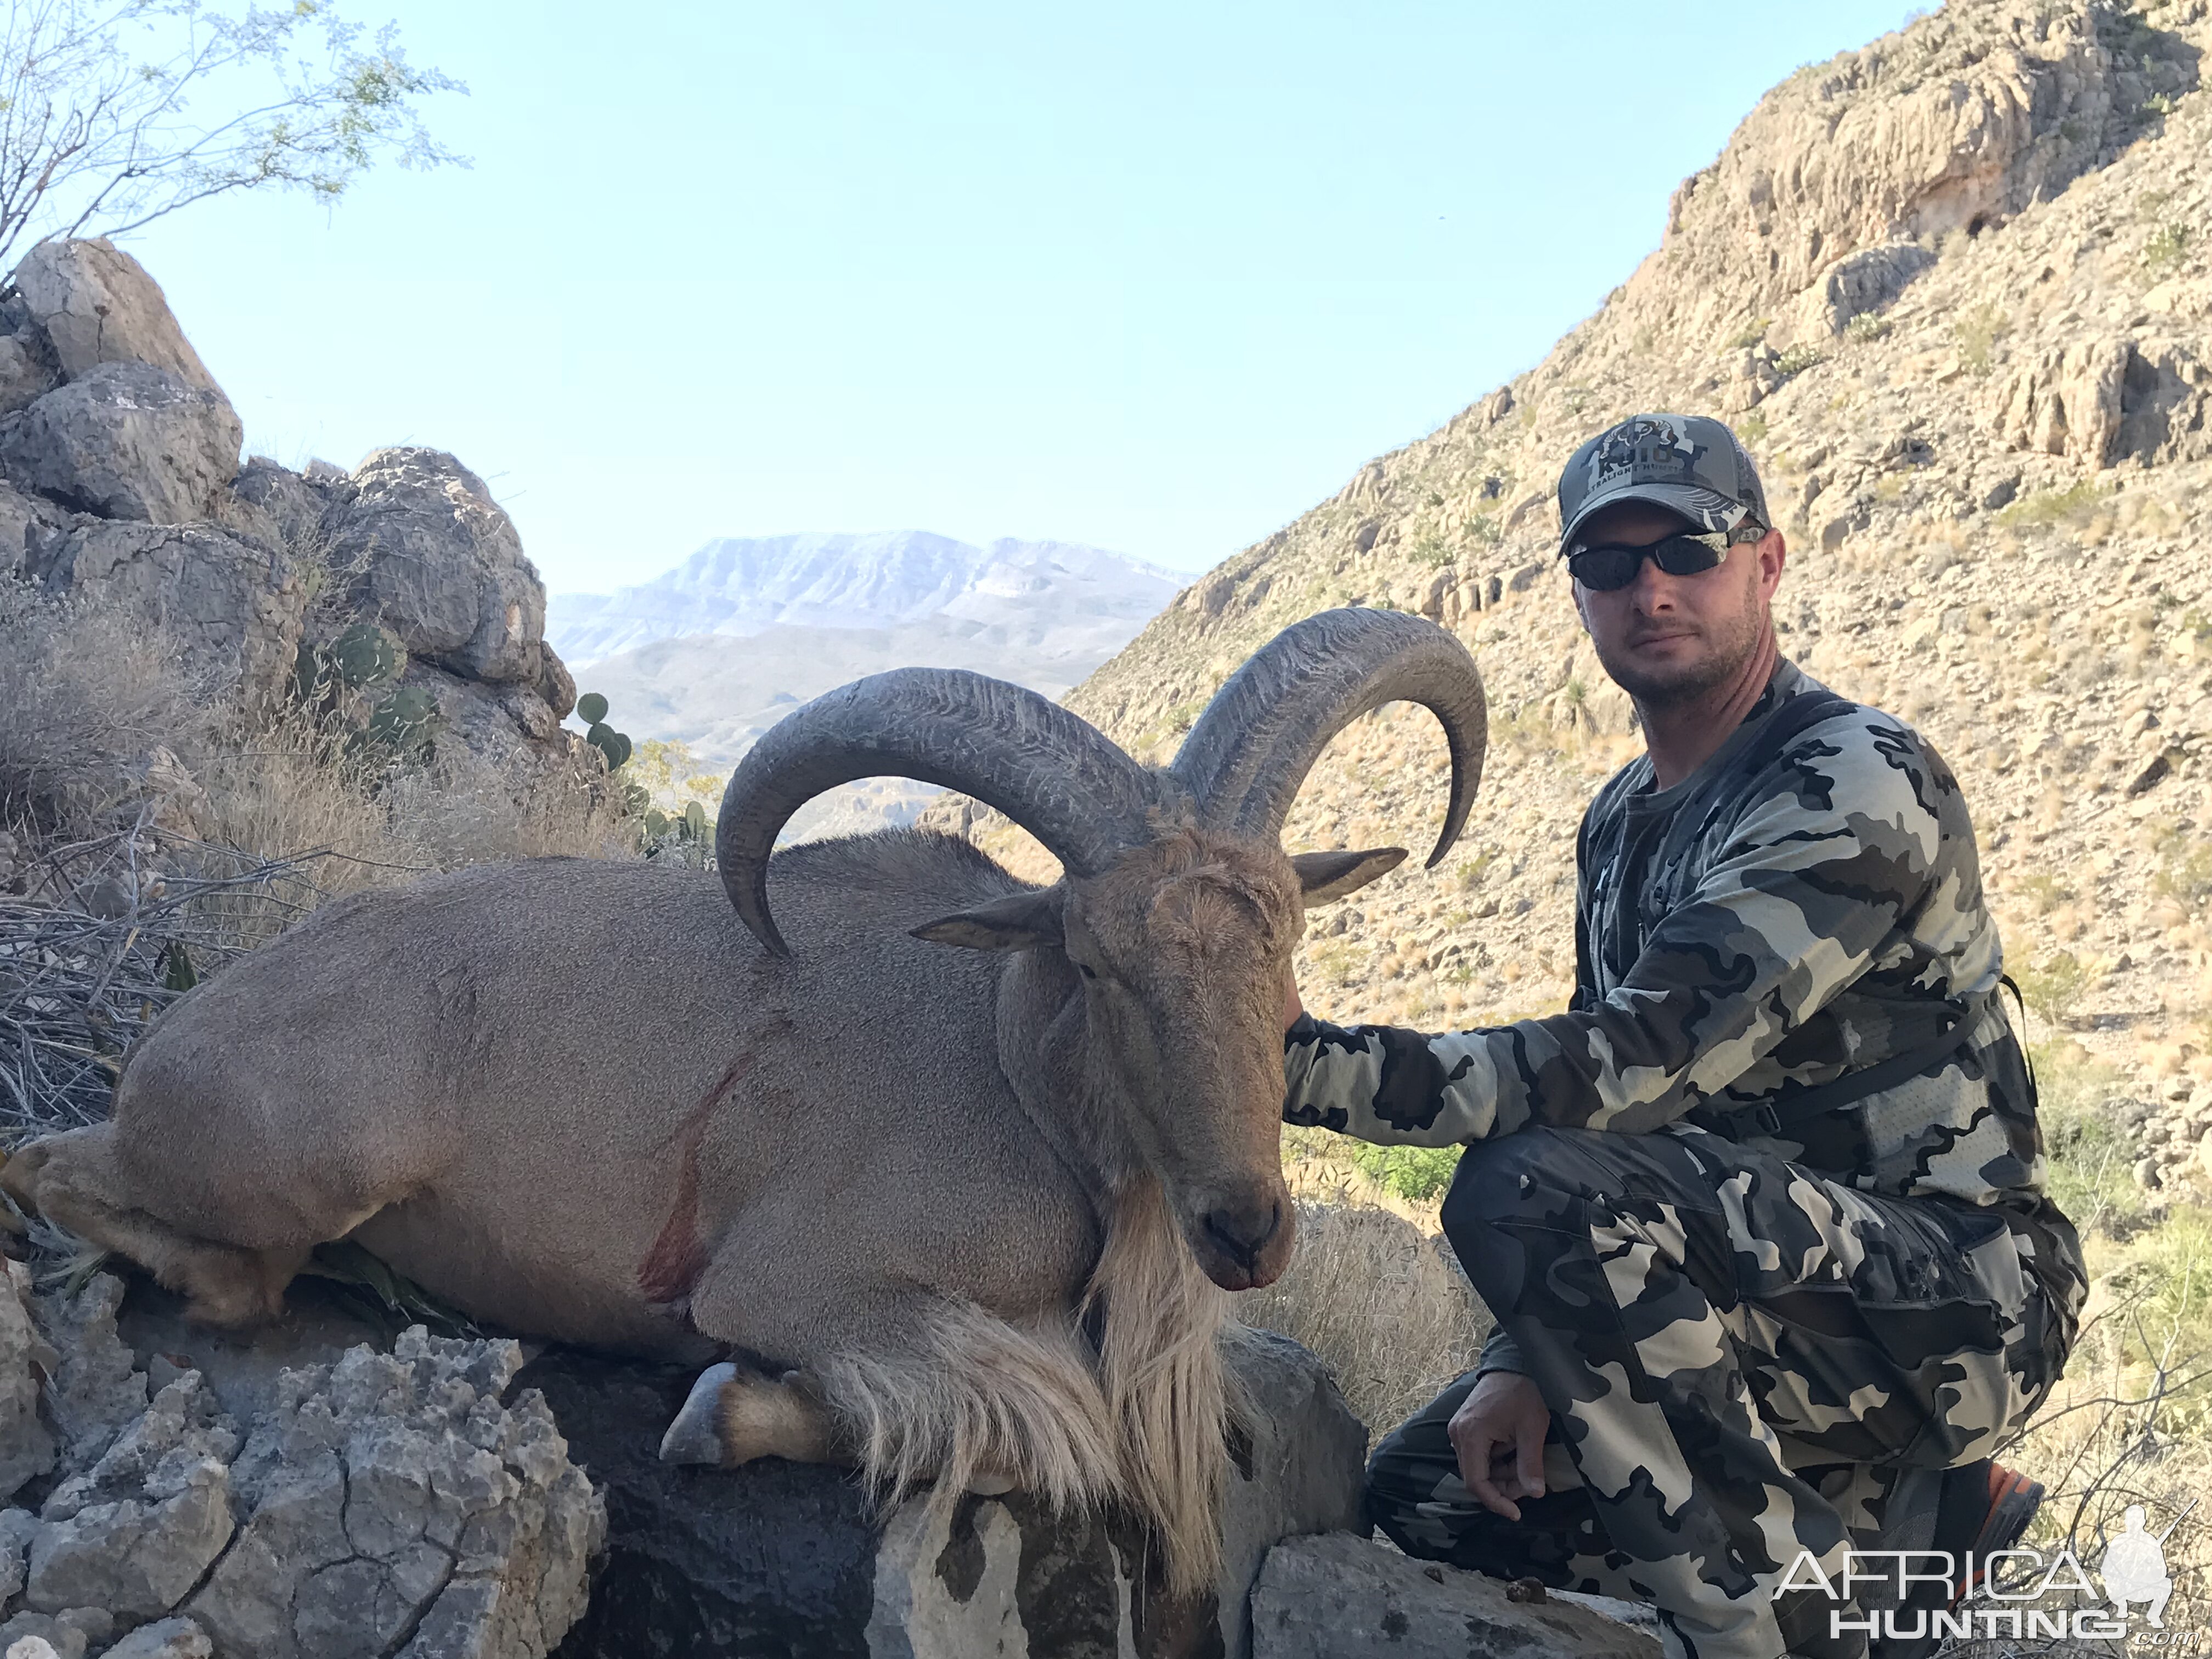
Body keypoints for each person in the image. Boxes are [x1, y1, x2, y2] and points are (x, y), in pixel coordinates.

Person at [1279, 413, 2086, 1659]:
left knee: (1525, 1187)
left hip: (1956, 1298)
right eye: (1607, 565)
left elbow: (1624, 1068)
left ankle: (1799, 1630)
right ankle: (1911, 1540)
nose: (1650, 589)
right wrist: (1516, 1363)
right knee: (1431, 1500)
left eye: (1689, 549)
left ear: (1766, 563)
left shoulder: (1858, 781)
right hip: (1755, 1281)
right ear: (1580, 593)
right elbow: (1638, 1128)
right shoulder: (1620, 823)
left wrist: (1300, 1064)